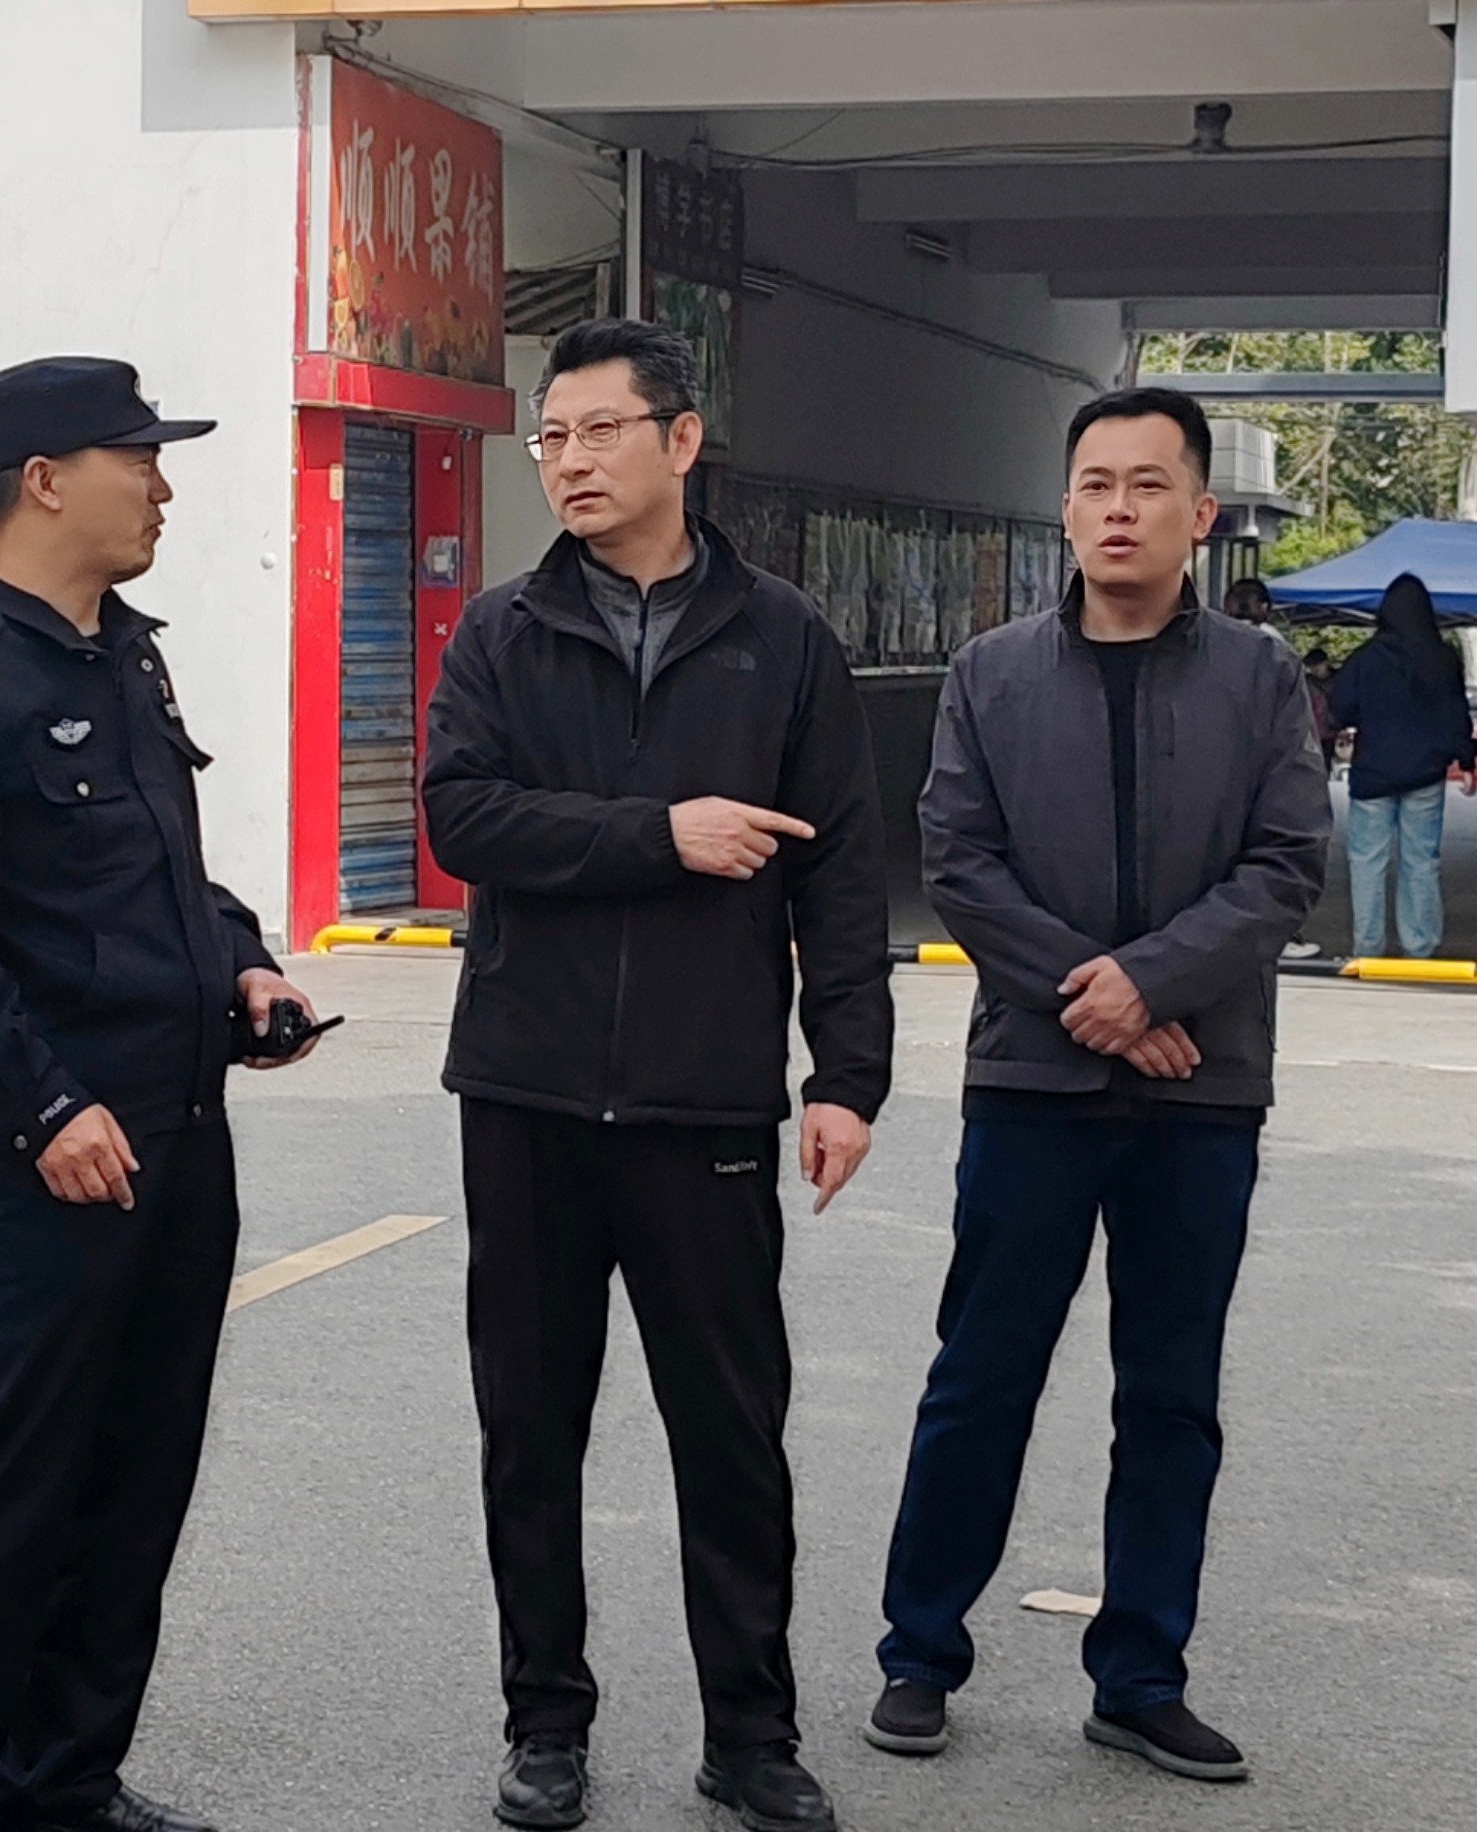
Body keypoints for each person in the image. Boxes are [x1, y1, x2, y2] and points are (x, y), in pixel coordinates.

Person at [420, 317, 894, 1832]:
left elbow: (842, 876)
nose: (567, 461)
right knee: (530, 1430)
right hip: (528, 1093)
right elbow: (461, 818)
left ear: (680, 441)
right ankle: (544, 1723)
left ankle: (750, 1735)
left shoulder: (782, 638)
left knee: (731, 1435)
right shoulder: (502, 631)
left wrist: (848, 1075)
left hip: (705, 1101)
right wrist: (659, 833)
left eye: (598, 430)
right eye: (549, 437)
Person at [0, 355, 324, 1832]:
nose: (164, 488)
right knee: (15, 1484)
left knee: (138, 1476)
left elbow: (166, 876)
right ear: (45, 481)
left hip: (179, 1131)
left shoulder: (125, 658)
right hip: (53, 1152)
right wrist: (44, 1107)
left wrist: (242, 962)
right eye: (141, 460)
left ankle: (61, 1784)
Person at [865, 386, 1326, 1784]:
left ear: (1201, 512)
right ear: (1064, 508)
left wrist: (1156, 986)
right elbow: (958, 864)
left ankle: (1139, 1675)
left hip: (1201, 1096)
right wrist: (1105, 1001)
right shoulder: (991, 672)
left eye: (1147, 485)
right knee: (980, 1376)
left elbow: (1284, 865)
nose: (1119, 509)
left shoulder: (1258, 678)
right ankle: (918, 1652)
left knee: (1170, 1394)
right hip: (1034, 1085)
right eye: (1095, 485)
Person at [1317, 573, 1477, 959]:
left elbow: (1340, 708)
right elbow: (1456, 713)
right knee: (1420, 860)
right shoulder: (1442, 658)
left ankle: (1367, 948)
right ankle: (1419, 947)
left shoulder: (1366, 658)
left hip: (1374, 773)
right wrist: (1467, 760)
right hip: (1425, 773)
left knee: (1366, 862)